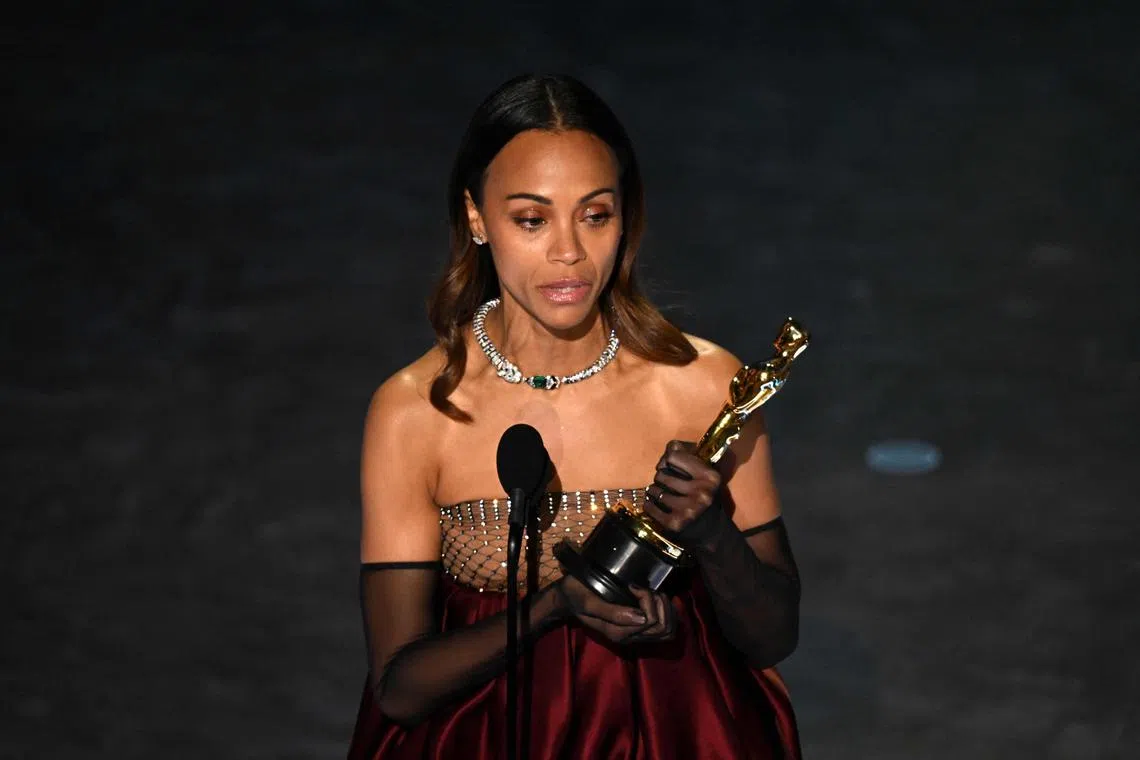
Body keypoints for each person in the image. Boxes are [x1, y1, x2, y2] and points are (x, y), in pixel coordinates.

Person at [347, 74, 802, 760]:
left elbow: (773, 638)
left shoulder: (704, 387)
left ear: (626, 218)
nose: (569, 251)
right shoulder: (417, 411)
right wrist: (555, 606)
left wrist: (713, 534)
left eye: (595, 215)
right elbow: (399, 687)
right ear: (477, 218)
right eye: (532, 220)